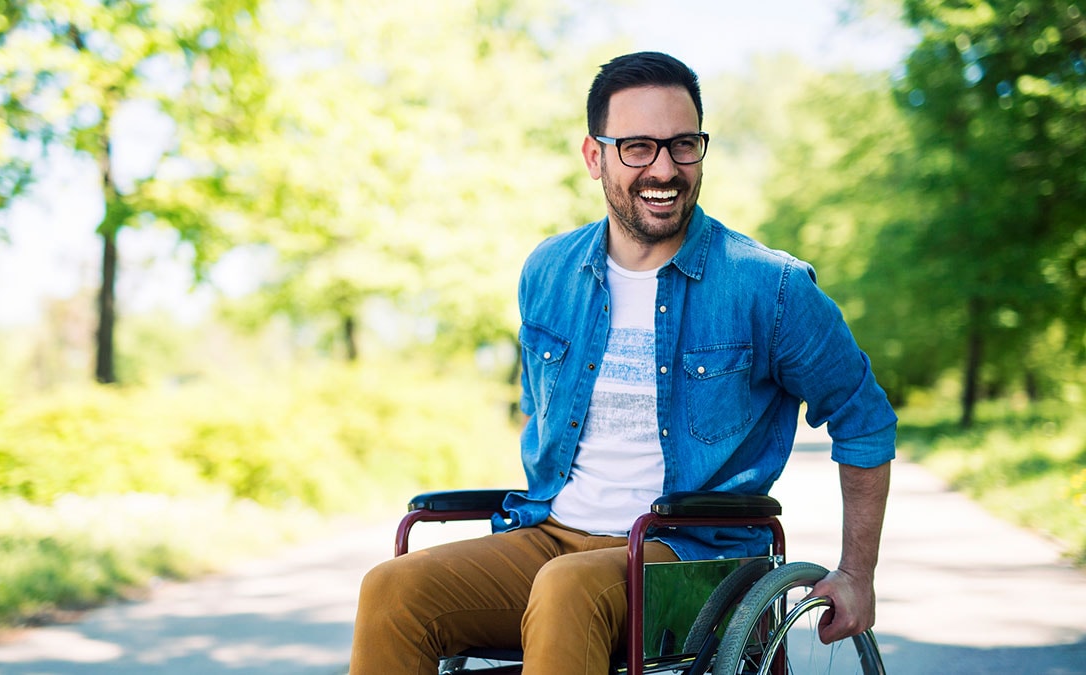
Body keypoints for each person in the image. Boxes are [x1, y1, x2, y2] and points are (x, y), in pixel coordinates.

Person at [349, 51, 895, 675]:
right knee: (393, 590)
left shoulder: (768, 288)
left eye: (683, 145)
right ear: (594, 156)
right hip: (553, 535)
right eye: (637, 146)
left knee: (567, 589)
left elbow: (864, 416)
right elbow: (541, 410)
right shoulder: (548, 271)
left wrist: (857, 573)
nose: (663, 168)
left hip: (692, 557)